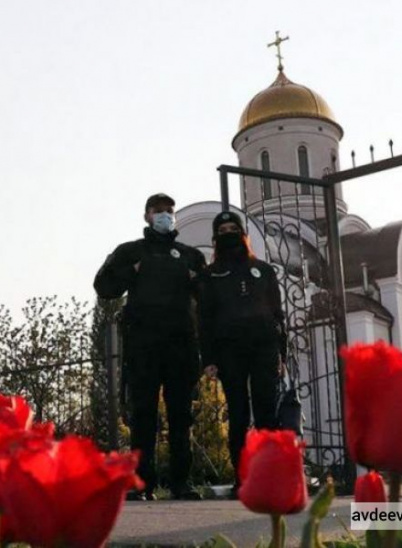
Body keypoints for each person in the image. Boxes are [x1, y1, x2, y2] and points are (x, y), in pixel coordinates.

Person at [94, 192, 206, 501]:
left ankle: (181, 483)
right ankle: (143, 484)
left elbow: (207, 298)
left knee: (181, 416)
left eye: (169, 211)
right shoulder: (130, 252)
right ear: (147, 216)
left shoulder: (189, 256)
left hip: (181, 348)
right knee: (143, 415)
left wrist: (197, 283)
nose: (165, 215)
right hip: (143, 348)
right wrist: (132, 272)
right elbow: (103, 287)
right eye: (158, 211)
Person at [198, 211, 287, 499]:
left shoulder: (263, 270)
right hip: (229, 351)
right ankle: (243, 478)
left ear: (242, 233)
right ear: (216, 238)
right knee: (238, 415)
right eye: (222, 229)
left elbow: (277, 315)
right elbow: (205, 319)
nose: (228, 233)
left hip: (264, 348)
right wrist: (208, 358)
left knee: (266, 414)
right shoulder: (210, 275)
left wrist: (281, 354)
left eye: (232, 228)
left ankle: (270, 476)